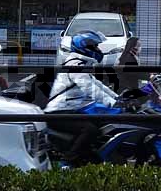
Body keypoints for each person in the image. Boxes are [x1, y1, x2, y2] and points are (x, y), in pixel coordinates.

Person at [45, 30, 119, 166]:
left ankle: (90, 157)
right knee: (90, 129)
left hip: (71, 110)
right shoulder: (74, 64)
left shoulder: (82, 64)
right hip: (57, 113)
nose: (98, 49)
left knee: (101, 123)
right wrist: (112, 103)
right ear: (85, 48)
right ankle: (69, 161)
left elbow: (98, 85)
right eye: (95, 47)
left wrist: (117, 98)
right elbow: (89, 88)